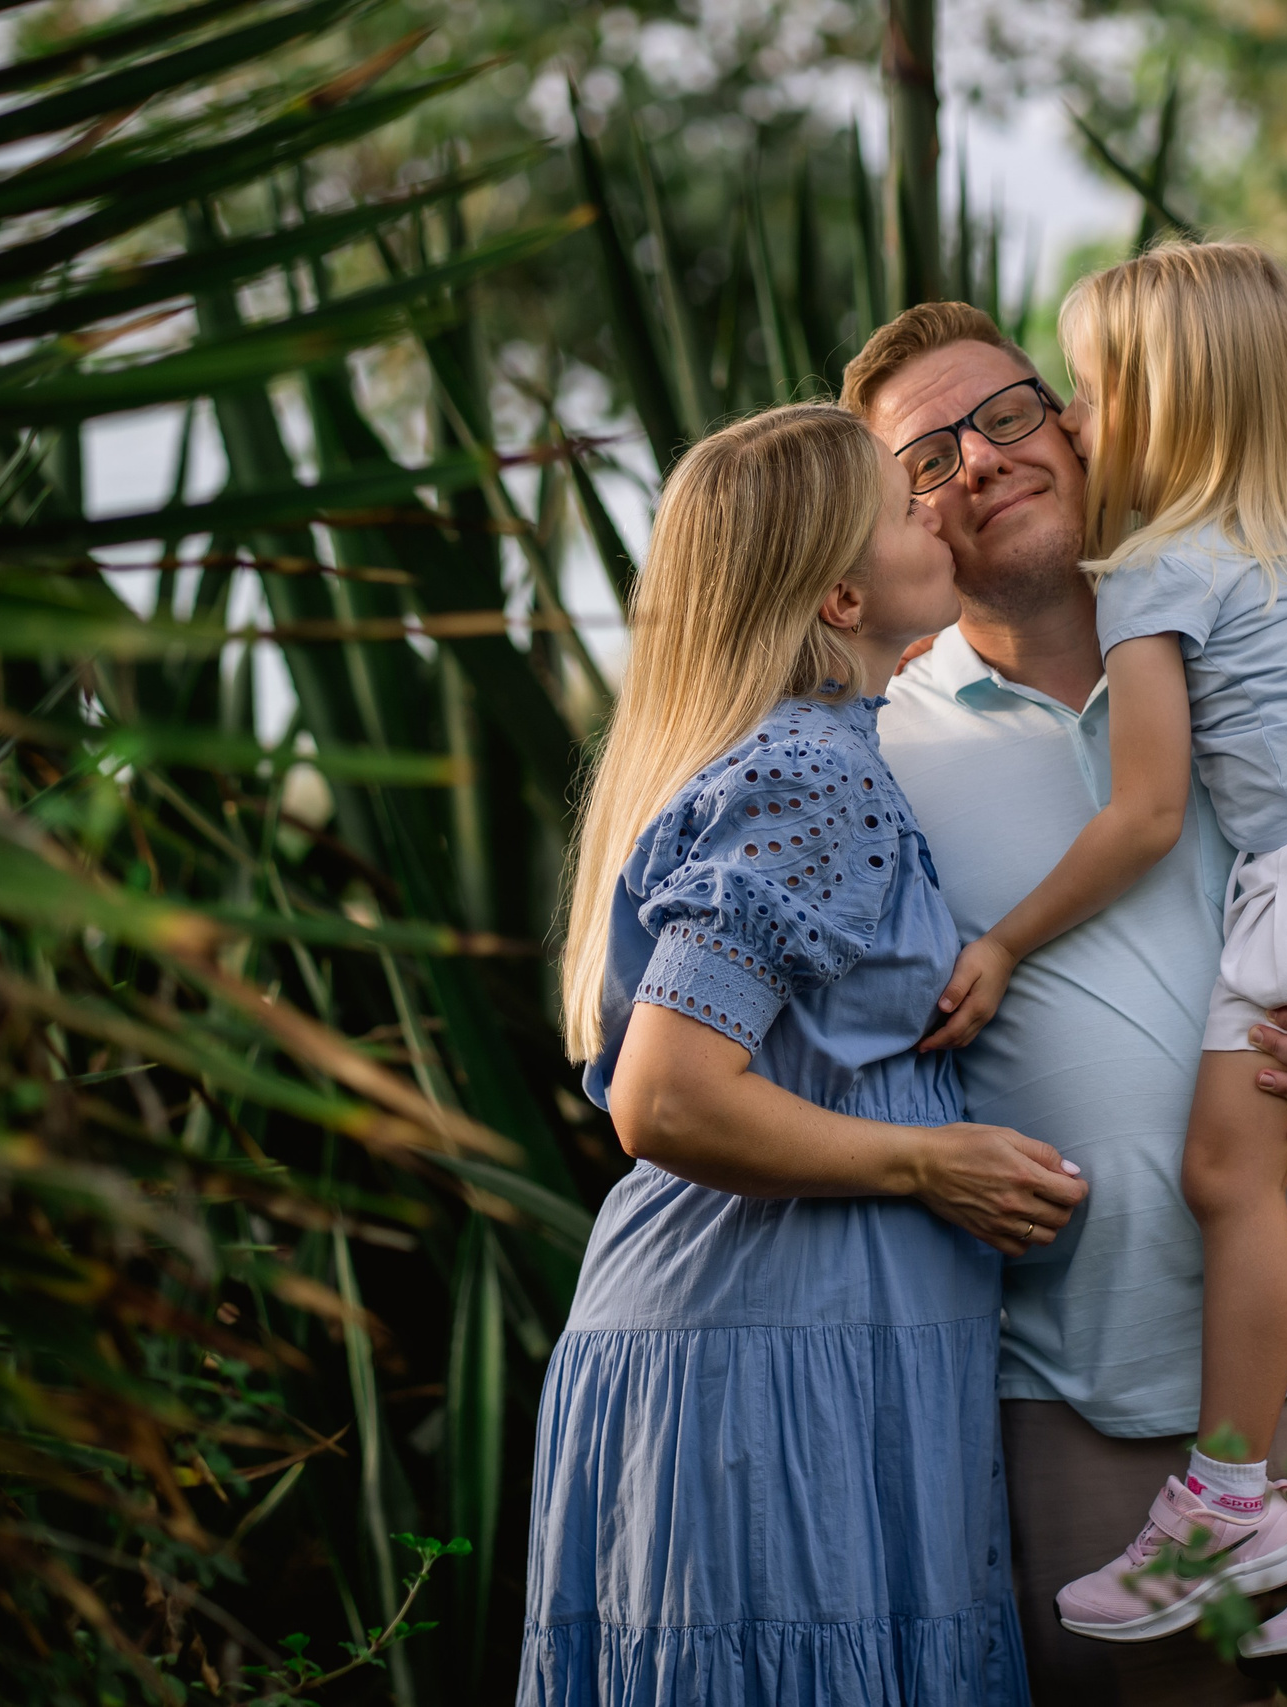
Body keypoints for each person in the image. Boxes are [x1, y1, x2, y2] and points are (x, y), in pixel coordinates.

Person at [849, 302, 1287, 1703]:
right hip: (1091, 1390)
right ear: (895, 517)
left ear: (1072, 418)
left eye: (1002, 415)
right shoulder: (873, 741)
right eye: (925, 459)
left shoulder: (1259, 622)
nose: (979, 462)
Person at [521, 402, 1087, 1705]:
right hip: (764, 1363)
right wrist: (926, 1166)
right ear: (840, 594)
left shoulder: (807, 757)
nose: (938, 508)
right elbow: (665, 1094)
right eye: (904, 508)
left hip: (782, 1342)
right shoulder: (808, 774)